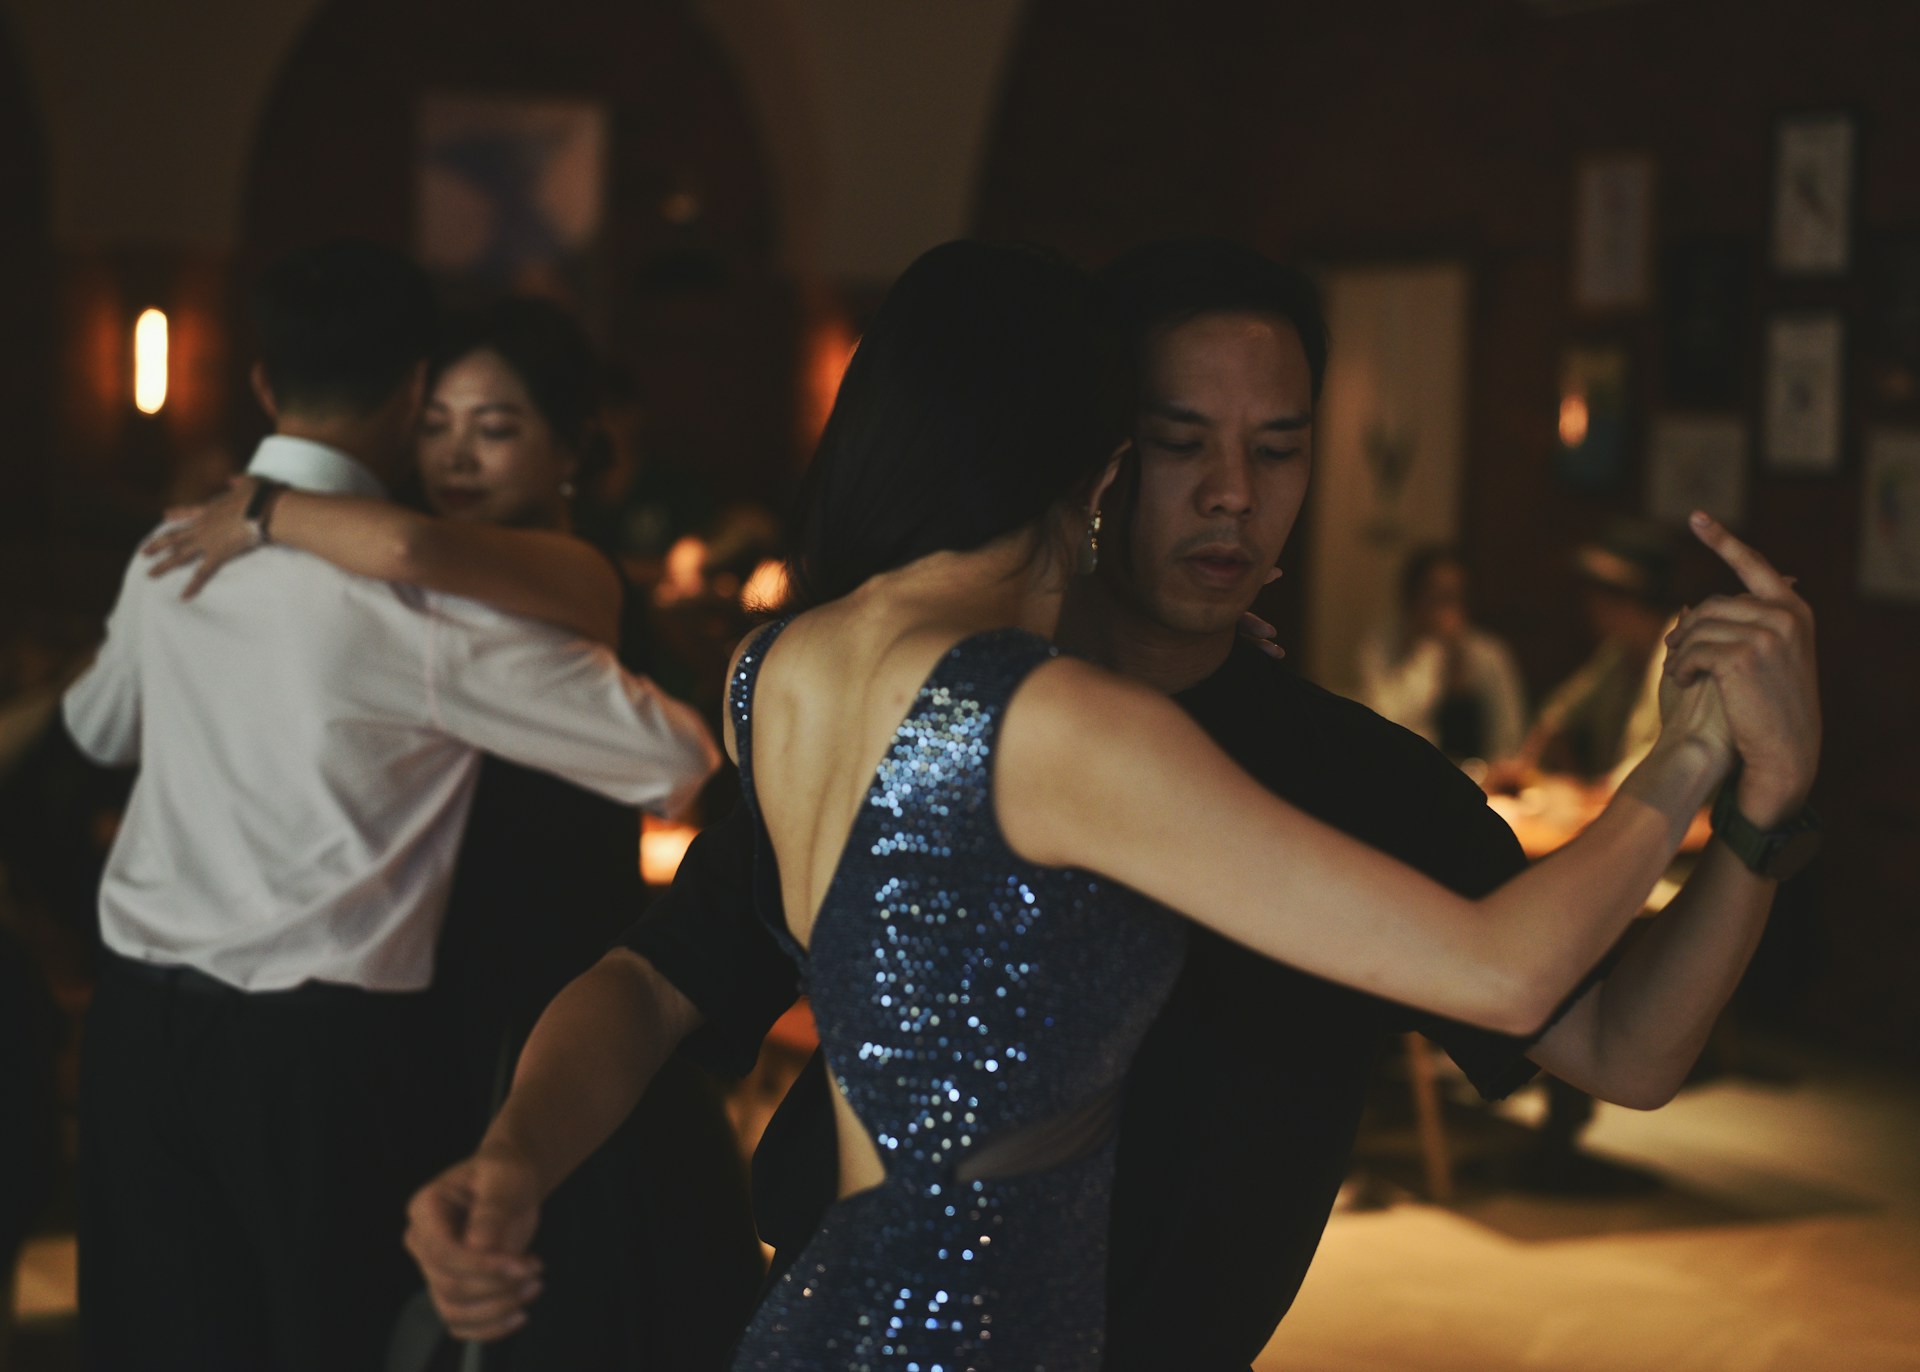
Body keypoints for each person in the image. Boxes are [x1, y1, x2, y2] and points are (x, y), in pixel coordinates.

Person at [404, 241, 1817, 1369]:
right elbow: (651, 981)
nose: (1230, 498)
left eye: (1278, 449)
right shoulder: (953, 713)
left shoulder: (1354, 773)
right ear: (1093, 460)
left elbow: (1625, 1051)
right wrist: (518, 1154)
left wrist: (1760, 809)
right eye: (1180, 439)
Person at [62, 242, 721, 1372]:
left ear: (265, 383)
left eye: (496, 424)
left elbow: (93, 732)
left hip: (132, 1035)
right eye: (444, 417)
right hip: (312, 1058)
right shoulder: (419, 604)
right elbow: (677, 758)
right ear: (411, 393)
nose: (458, 449)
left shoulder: (177, 547)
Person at [1358, 544, 1528, 770]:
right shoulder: (1382, 645)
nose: (1446, 611)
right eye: (1436, 597)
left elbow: (1509, 733)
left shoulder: (1489, 654)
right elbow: (1385, 720)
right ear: (1412, 598)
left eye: (1454, 598)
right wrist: (1430, 652)